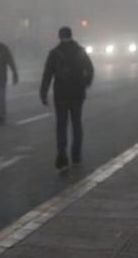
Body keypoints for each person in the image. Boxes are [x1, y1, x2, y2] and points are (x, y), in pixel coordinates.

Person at [40, 26, 94, 170]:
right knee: (76, 124)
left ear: (59, 37)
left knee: (61, 125)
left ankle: (62, 154)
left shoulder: (55, 53)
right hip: (77, 93)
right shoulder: (80, 51)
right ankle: (76, 155)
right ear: (71, 35)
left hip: (61, 93)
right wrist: (86, 83)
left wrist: (43, 93)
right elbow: (90, 69)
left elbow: (47, 74)